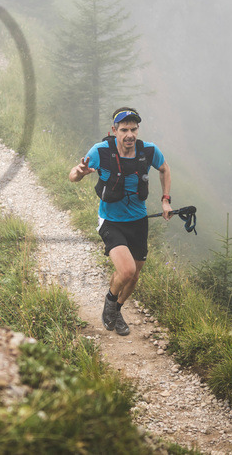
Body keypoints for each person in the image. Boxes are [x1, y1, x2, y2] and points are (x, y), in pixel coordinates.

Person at [68, 107, 171, 335]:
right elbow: (73, 175)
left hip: (138, 220)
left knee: (134, 276)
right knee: (126, 271)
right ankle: (110, 301)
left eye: (133, 129)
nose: (129, 135)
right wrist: (79, 172)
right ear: (114, 131)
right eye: (124, 130)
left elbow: (164, 169)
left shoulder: (148, 151)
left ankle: (117, 310)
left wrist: (166, 200)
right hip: (110, 220)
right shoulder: (101, 151)